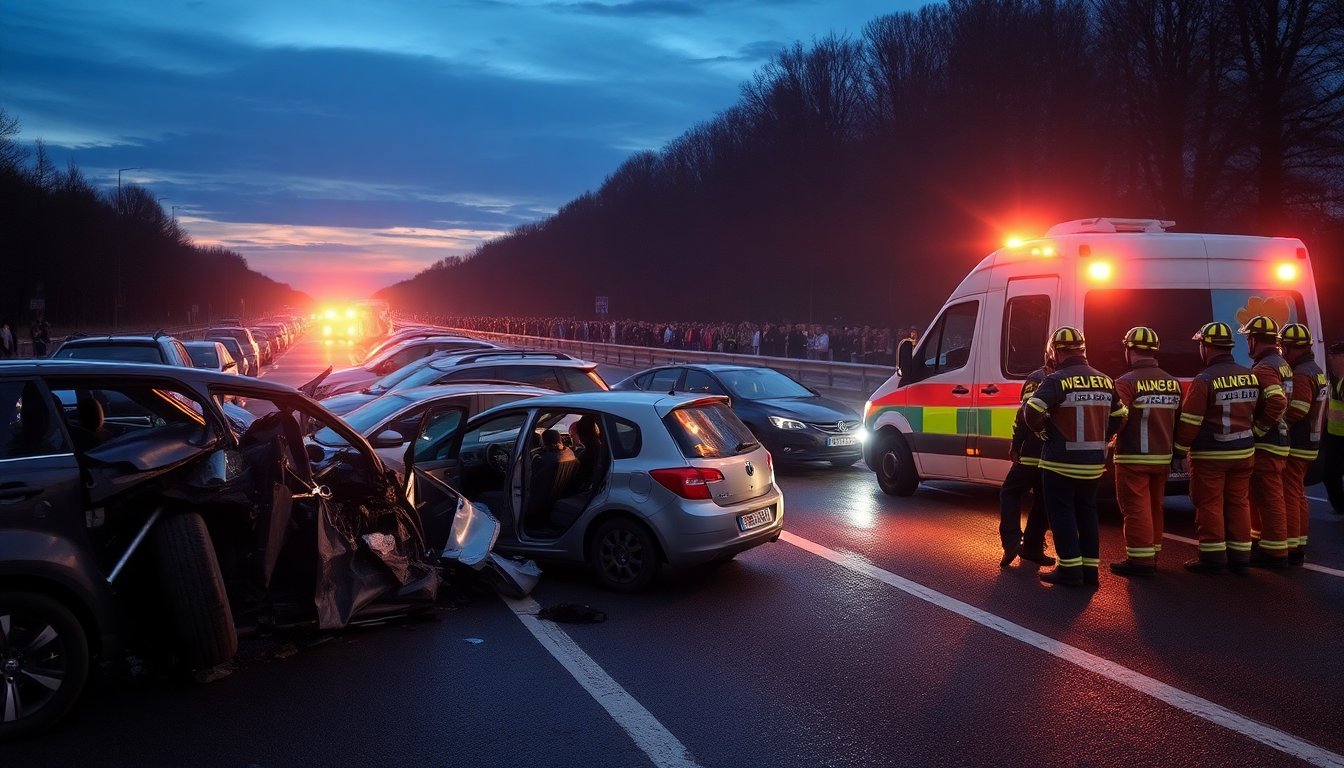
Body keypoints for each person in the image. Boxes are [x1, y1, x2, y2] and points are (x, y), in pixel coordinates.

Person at [1024, 327, 1124, 587]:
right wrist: (1104, 436)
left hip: (1059, 461)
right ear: (1082, 350)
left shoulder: (1056, 379)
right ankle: (1090, 571)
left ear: (1056, 352)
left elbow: (1032, 409)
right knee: (1088, 512)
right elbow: (1121, 415)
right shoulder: (1104, 379)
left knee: (1062, 513)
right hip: (1093, 462)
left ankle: (1069, 569)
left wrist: (1043, 430)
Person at [1172, 322, 1267, 574]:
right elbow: (1260, 410)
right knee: (1239, 502)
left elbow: (1190, 421)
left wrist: (1180, 451)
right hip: (1244, 452)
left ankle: (1212, 557)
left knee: (1210, 502)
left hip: (1212, 454)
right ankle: (1240, 555)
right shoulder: (1250, 375)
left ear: (1206, 347)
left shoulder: (1204, 380)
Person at [1109, 327, 1181, 577]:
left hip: (1133, 456)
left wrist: (1107, 438)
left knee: (1135, 507)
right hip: (1163, 456)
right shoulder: (1172, 382)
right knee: (1154, 506)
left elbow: (1119, 417)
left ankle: (1140, 559)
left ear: (1129, 351)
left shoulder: (1125, 382)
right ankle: (1153, 552)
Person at [1239, 316, 1291, 568]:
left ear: (1254, 339)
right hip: (1280, 437)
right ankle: (1265, 543)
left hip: (1268, 442)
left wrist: (1258, 430)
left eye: (1248, 338)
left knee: (1269, 497)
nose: (1247, 343)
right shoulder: (1281, 363)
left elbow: (1278, 401)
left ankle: (1274, 552)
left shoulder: (1264, 369)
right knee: (1265, 495)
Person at [998, 350, 1056, 568]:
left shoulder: (1037, 378)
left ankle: (1012, 540)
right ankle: (1032, 547)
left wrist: (1016, 443)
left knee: (1010, 491)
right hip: (1054, 453)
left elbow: (1025, 413)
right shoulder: (1069, 379)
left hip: (1032, 450)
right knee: (1043, 499)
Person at [1278, 323, 1328, 565]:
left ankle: (1290, 546)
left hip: (1297, 442)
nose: (1282, 351)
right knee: (1298, 493)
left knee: (1290, 493)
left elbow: (1298, 407)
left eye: (1284, 347)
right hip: (1311, 441)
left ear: (1293, 349)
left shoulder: (1300, 373)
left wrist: (1278, 422)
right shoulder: (1315, 369)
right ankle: (1297, 542)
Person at [1325, 342, 1344, 513]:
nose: (1330, 359)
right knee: (1331, 474)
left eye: (1334, 356)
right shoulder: (1334, 379)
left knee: (1331, 474)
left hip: (1341, 437)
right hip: (1335, 436)